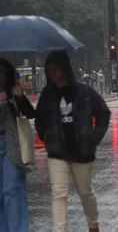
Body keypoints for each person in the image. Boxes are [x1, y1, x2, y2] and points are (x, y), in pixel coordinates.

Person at [35, 51, 111, 232]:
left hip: (82, 151)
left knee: (85, 192)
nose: (52, 73)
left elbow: (103, 113)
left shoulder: (84, 91)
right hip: (57, 152)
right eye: (49, 70)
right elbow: (39, 119)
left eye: (56, 69)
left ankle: (93, 225)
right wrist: (46, 136)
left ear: (65, 69)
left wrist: (93, 139)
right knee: (58, 194)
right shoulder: (47, 95)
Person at [0, 59, 35, 232]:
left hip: (11, 145)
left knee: (11, 189)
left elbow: (30, 113)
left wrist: (19, 96)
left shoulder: (13, 91)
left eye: (2, 73)